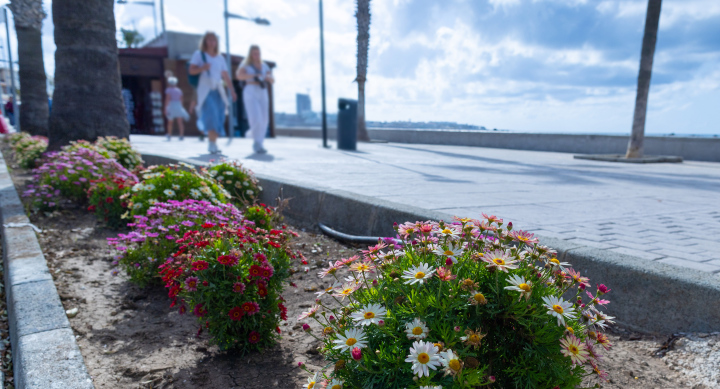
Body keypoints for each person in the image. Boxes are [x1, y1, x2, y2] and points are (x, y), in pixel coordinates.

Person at [188, 31, 237, 154]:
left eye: (214, 40)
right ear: (205, 41)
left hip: (218, 89)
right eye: (209, 39)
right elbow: (191, 71)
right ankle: (211, 143)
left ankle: (214, 142)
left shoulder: (220, 57)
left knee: (219, 116)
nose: (211, 42)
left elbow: (225, 75)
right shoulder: (199, 55)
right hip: (205, 89)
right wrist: (202, 68)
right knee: (210, 114)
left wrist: (232, 90)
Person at [236, 45, 273, 154]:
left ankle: (260, 142)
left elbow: (272, 79)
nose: (256, 55)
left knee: (265, 119)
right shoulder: (245, 65)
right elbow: (239, 76)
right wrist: (254, 75)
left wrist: (267, 77)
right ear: (250, 54)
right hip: (250, 90)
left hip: (262, 90)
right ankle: (256, 142)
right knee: (255, 117)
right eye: (254, 53)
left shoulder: (264, 65)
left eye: (258, 53)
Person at [164, 76, 189, 140]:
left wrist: (165, 108)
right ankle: (181, 135)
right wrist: (181, 107)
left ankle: (169, 135)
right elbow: (181, 99)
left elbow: (168, 99)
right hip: (178, 105)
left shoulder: (168, 90)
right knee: (180, 122)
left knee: (170, 122)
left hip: (171, 105)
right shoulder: (179, 90)